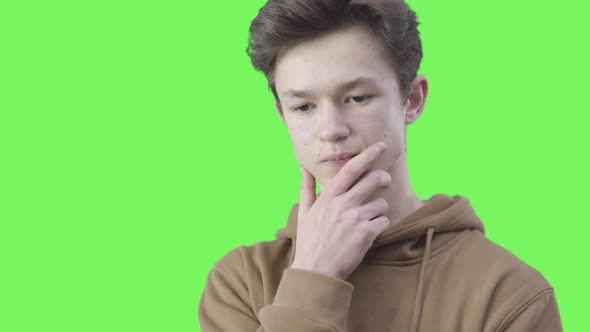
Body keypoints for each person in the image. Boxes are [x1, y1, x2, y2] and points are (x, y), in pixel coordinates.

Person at [198, 0, 563, 331]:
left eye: (357, 97)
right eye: (303, 107)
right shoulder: (242, 281)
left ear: (413, 100)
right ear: (282, 114)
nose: (331, 130)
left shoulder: (509, 293)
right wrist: (313, 276)